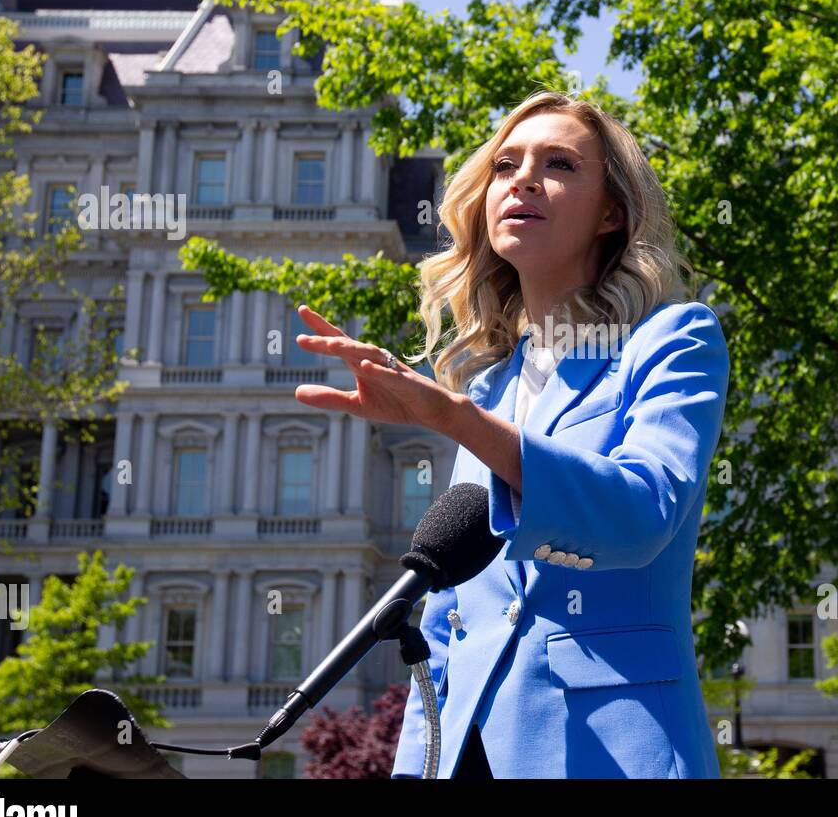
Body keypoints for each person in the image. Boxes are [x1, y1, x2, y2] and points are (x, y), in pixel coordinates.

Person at [292, 89, 729, 778]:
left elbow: (642, 515)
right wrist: (418, 767)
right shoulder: (488, 389)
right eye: (503, 164)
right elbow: (445, 621)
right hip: (466, 753)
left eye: (559, 164)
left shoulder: (673, 338)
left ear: (612, 212)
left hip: (614, 750)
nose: (523, 178)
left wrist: (452, 418)